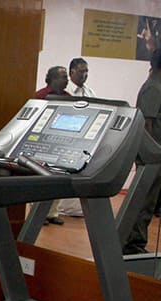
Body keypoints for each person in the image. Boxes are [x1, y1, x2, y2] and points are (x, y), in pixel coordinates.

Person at [124, 46, 161, 255]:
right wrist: (151, 153)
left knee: (150, 201)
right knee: (144, 200)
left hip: (160, 154)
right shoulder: (153, 89)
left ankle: (136, 240)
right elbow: (147, 123)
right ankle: (131, 242)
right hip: (152, 156)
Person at [56, 58, 96, 218]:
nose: (84, 75)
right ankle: (60, 208)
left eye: (86, 71)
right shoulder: (65, 93)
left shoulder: (90, 92)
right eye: (81, 71)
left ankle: (77, 208)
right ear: (71, 72)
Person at [35, 65, 70, 225]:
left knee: (57, 177)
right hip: (42, 143)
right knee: (39, 178)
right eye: (64, 77)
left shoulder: (69, 97)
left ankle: (52, 213)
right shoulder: (40, 96)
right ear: (53, 79)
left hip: (61, 144)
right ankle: (37, 212)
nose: (67, 80)